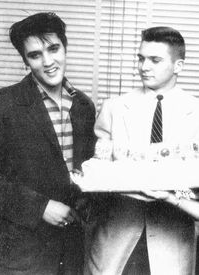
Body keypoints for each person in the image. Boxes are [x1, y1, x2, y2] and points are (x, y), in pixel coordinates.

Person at [0, 12, 96, 275]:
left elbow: (86, 173)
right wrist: (40, 208)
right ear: (25, 60)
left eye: (54, 48)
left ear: (65, 47)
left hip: (71, 254)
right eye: (35, 55)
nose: (48, 61)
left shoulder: (84, 106)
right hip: (18, 258)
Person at [84, 26, 199, 275]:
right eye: (141, 58)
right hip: (117, 240)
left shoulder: (196, 114)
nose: (144, 66)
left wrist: (173, 193)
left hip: (171, 245)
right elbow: (98, 170)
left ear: (178, 66)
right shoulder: (114, 108)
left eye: (155, 60)